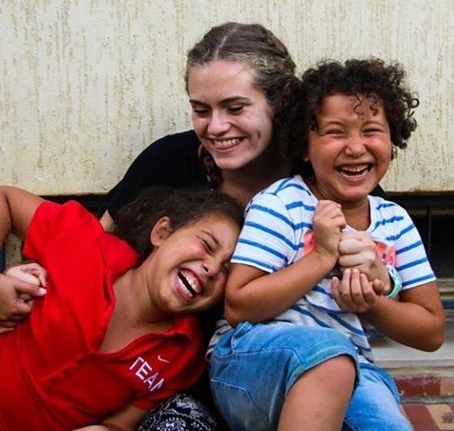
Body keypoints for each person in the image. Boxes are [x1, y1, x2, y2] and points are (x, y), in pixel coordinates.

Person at [0, 23, 390, 430]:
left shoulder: (327, 175)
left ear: (283, 100)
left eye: (235, 108)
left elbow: (392, 288)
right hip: (176, 390)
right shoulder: (168, 161)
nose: (216, 127)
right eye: (202, 110)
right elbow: (95, 251)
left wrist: (374, 285)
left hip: (299, 374)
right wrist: (31, 280)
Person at [209, 58, 445, 431]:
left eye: (371, 130)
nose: (355, 147)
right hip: (251, 359)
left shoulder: (395, 222)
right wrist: (321, 256)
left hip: (352, 367)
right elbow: (239, 305)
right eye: (335, 132)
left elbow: (431, 331)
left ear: (392, 139)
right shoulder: (281, 204)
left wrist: (371, 306)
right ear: (305, 146)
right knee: (329, 357)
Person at [0, 184, 243, 431]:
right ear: (162, 232)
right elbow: (6, 200)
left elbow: (119, 424)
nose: (212, 268)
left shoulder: (184, 355)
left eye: (227, 270)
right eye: (207, 245)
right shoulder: (85, 245)